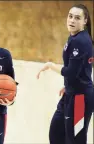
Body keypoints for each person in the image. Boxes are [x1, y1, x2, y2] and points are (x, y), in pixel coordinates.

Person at [37, 4, 94, 144]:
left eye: (77, 18)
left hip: (80, 99)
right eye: (70, 16)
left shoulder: (81, 41)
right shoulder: (74, 37)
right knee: (56, 133)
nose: (72, 20)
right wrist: (68, 85)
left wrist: (50, 65)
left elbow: (71, 72)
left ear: (85, 21)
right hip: (70, 93)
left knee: (75, 140)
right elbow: (80, 69)